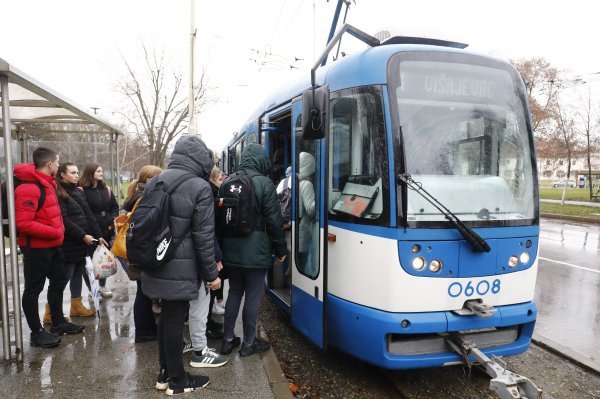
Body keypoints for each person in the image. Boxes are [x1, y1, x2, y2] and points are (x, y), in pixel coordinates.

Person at [141, 135, 221, 395]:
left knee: (166, 318)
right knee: (175, 320)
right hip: (181, 265)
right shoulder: (200, 187)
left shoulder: (156, 180)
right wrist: (212, 275)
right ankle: (177, 381)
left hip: (155, 259)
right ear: (202, 160)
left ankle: (164, 372)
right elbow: (203, 237)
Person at [218, 143, 287, 357]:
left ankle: (227, 340)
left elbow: (218, 220)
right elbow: (274, 222)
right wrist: (280, 249)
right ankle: (249, 343)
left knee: (234, 293)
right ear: (259, 159)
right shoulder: (265, 184)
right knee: (253, 296)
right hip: (256, 251)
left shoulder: (226, 182)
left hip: (230, 250)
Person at [14, 147, 85, 348]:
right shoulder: (29, 188)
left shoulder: (47, 184)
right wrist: (55, 232)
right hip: (37, 249)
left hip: (53, 247)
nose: (58, 163)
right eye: (57, 161)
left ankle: (58, 323)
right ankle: (36, 333)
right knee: (33, 289)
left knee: (59, 280)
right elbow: (23, 223)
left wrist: (57, 233)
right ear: (50, 164)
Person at [55, 162, 107, 321]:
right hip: (69, 242)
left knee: (78, 272)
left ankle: (76, 306)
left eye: (77, 172)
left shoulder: (78, 191)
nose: (77, 175)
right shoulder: (58, 192)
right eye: (72, 172)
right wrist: (82, 235)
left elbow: (88, 214)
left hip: (80, 243)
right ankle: (51, 311)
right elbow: (64, 220)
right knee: (64, 277)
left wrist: (99, 235)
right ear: (62, 175)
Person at [121, 165, 162, 343]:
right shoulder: (144, 198)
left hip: (134, 251)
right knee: (144, 293)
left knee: (143, 291)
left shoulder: (135, 195)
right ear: (150, 179)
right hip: (141, 251)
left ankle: (146, 329)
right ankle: (144, 332)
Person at [79, 162, 119, 298]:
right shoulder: (82, 190)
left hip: (107, 229)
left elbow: (115, 207)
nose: (101, 173)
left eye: (102, 171)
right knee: (89, 262)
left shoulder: (106, 189)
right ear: (90, 173)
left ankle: (102, 286)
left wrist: (111, 221)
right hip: (90, 230)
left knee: (104, 259)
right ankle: (92, 289)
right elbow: (84, 211)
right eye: (98, 171)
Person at [297, 152, 316, 271]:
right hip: (302, 231)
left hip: (289, 231)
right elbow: (310, 209)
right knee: (301, 264)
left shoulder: (288, 181)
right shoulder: (306, 184)